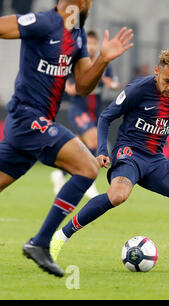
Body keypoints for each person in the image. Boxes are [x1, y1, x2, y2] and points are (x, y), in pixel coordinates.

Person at [50, 50, 169, 275]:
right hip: (128, 154)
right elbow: (105, 117)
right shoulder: (138, 89)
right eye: (167, 81)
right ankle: (61, 235)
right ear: (157, 71)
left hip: (155, 160)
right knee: (118, 195)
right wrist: (102, 151)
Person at [0, 0, 134, 277]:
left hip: (31, 126)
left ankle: (40, 243)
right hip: (28, 119)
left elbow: (84, 86)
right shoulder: (44, 22)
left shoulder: (77, 34)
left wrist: (103, 59)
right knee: (87, 167)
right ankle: (40, 243)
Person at [51, 30, 121, 198]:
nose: (90, 47)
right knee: (94, 140)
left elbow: (115, 84)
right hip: (78, 110)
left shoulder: (103, 63)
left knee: (80, 146)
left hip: (94, 112)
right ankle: (88, 181)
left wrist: (108, 82)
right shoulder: (78, 63)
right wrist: (84, 83)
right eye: (88, 43)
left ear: (97, 45)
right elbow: (67, 87)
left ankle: (60, 174)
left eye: (93, 44)